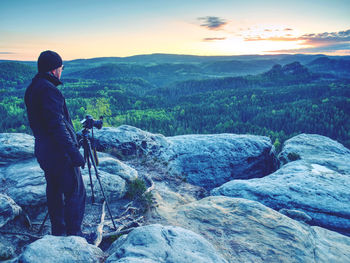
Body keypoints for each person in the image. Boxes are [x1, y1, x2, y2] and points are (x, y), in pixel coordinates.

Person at [24, 50, 86, 236]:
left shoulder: (33, 87)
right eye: (61, 67)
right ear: (54, 70)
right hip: (59, 153)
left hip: (44, 151)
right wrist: (74, 153)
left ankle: (59, 232)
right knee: (75, 192)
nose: (62, 71)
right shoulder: (49, 90)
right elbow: (57, 126)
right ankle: (75, 236)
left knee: (54, 190)